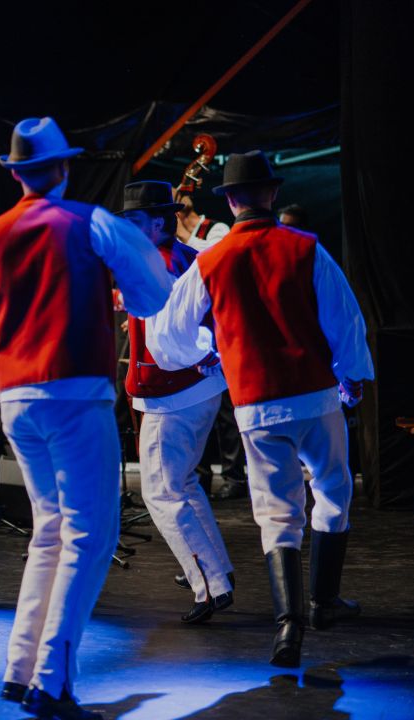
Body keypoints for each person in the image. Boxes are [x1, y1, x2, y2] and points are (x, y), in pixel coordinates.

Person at [0, 117, 172, 720]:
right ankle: (52, 680)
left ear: (16, 174)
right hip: (75, 393)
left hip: (17, 398)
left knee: (50, 530)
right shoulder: (91, 222)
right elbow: (154, 294)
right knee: (91, 536)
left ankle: (21, 669)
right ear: (65, 168)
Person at [147, 150, 374, 668]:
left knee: (276, 511)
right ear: (272, 193)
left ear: (229, 199)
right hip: (315, 396)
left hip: (255, 405)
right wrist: (352, 374)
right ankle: (323, 602)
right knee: (332, 491)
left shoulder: (210, 260)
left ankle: (288, 624)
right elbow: (344, 318)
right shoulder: (306, 248)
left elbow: (167, 336)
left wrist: (207, 353)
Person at [118, 180, 235, 623]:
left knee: (162, 492)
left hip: (173, 393)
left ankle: (210, 583)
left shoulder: (161, 264)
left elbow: (173, 336)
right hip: (193, 390)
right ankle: (216, 569)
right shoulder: (183, 257)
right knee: (182, 485)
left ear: (159, 222)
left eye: (135, 221)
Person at [174, 185, 249, 502]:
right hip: (196, 330)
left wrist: (182, 234)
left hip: (223, 328)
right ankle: (200, 476)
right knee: (197, 407)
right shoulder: (172, 243)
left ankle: (234, 476)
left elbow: (215, 258)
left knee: (227, 411)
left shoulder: (215, 229)